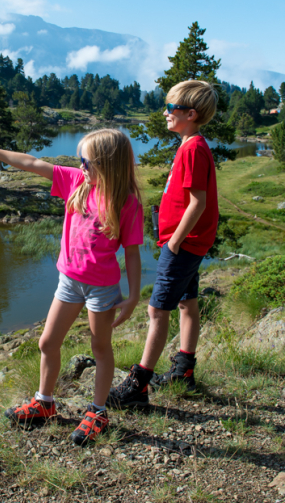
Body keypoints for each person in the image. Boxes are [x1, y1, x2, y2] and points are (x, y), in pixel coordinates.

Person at [0, 129, 143, 445]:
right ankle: (44, 403)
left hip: (102, 289)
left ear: (107, 165)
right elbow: (31, 162)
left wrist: (133, 296)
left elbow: (131, 252)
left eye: (86, 161)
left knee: (100, 349)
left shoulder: (126, 202)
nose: (81, 165)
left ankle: (98, 412)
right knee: (47, 343)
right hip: (69, 282)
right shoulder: (76, 181)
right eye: (80, 160)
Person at [107, 80, 219, 408]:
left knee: (157, 310)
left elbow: (197, 203)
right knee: (187, 302)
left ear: (191, 114)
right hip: (188, 243)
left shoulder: (194, 148)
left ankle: (137, 386)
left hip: (183, 245)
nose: (165, 113)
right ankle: (184, 370)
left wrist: (173, 244)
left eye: (171, 108)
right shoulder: (189, 145)